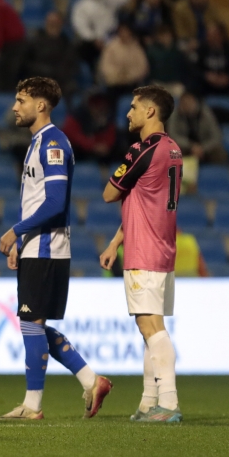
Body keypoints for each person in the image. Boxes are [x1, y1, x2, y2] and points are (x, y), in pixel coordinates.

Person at [0, 77, 112, 421]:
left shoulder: (53, 143)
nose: (15, 107)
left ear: (41, 105)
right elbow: (36, 202)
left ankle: (33, 406)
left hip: (48, 248)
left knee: (31, 323)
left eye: (21, 100)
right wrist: (22, 242)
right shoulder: (37, 143)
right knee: (32, 323)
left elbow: (55, 203)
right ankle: (91, 381)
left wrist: (16, 231)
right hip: (37, 247)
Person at [100, 85, 183, 423]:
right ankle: (149, 402)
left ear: (150, 111)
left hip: (145, 251)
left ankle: (169, 403)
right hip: (162, 248)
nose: (128, 113)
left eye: (134, 107)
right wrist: (115, 242)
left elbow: (109, 194)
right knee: (149, 326)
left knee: (151, 327)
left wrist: (123, 170)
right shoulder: (173, 149)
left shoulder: (143, 149)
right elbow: (144, 200)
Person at [71, 0, 138, 68]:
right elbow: (80, 26)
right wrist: (94, 39)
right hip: (94, 42)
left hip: (114, 38)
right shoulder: (81, 5)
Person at [169, 92, 226, 163]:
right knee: (172, 152)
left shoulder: (206, 113)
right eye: (184, 103)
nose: (187, 105)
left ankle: (219, 169)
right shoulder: (175, 115)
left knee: (219, 153)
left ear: (195, 102)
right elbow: (173, 135)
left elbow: (216, 135)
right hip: (186, 147)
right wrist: (191, 146)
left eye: (190, 102)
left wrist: (202, 148)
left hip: (205, 146)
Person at [98, 23, 149, 95]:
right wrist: (118, 75)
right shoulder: (111, 47)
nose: (124, 34)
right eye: (122, 31)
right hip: (114, 84)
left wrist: (129, 75)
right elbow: (105, 66)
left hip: (132, 83)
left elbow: (142, 66)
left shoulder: (136, 48)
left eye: (126, 31)